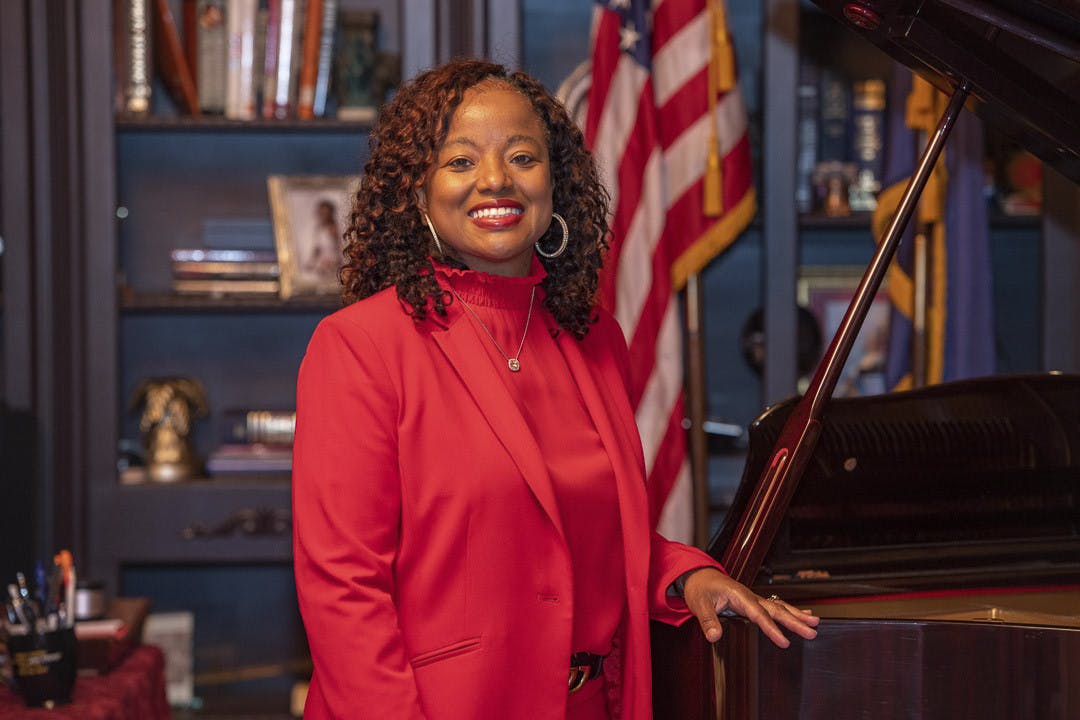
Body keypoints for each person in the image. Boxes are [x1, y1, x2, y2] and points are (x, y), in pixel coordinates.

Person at [292, 58, 819, 720]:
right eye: (460, 161)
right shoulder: (362, 347)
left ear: (555, 182)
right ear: (416, 190)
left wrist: (685, 575)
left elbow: (580, 533)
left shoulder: (592, 336)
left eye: (522, 156)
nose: (495, 180)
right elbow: (344, 591)